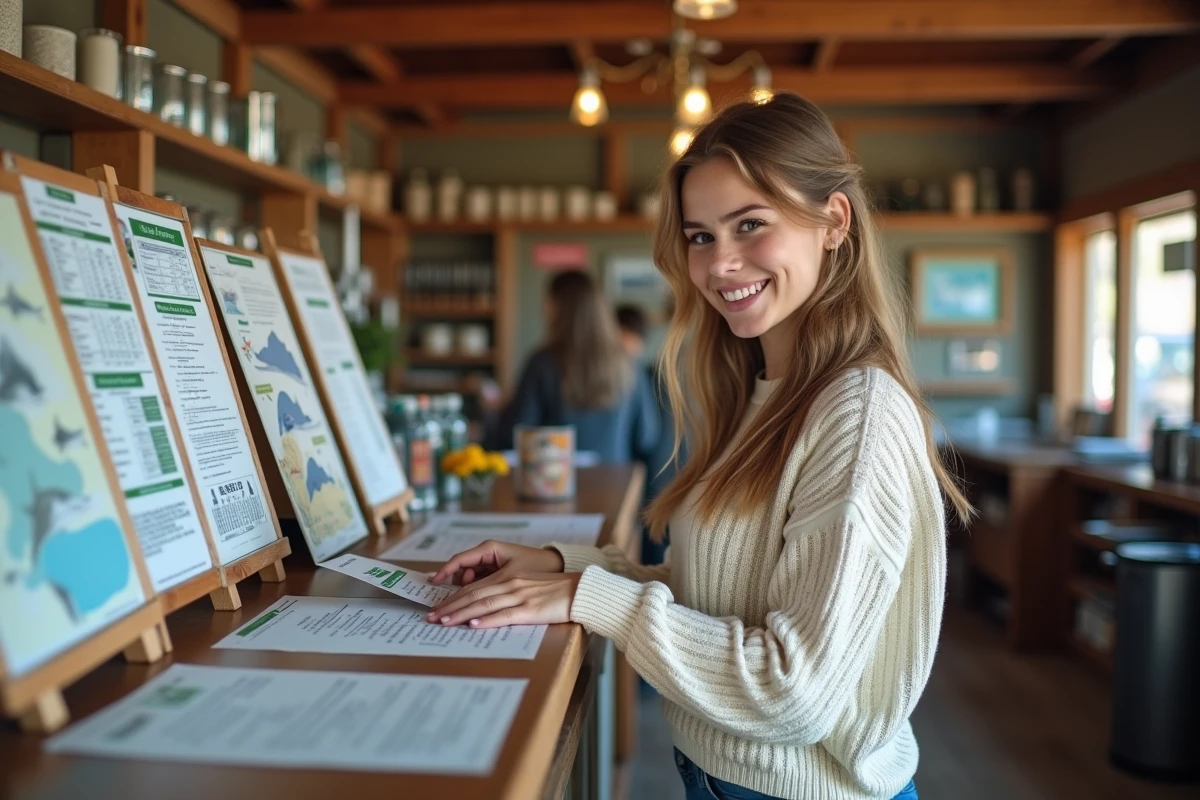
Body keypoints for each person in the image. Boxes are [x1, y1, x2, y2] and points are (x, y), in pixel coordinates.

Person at [428, 93, 972, 800]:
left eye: (750, 225)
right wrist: (565, 568)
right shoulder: (755, 390)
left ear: (833, 222)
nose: (721, 264)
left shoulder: (856, 414)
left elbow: (791, 689)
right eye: (700, 236)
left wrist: (589, 596)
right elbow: (718, 602)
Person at [486, 270, 658, 465]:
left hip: (554, 483)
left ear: (558, 306)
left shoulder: (542, 363)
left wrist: (496, 412)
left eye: (548, 301)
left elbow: (515, 434)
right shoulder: (628, 364)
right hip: (616, 484)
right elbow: (647, 437)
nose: (543, 309)